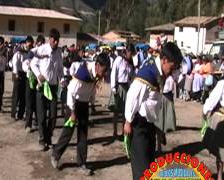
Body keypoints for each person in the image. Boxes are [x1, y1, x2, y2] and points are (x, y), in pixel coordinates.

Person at [124, 42, 183, 179]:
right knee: (142, 168)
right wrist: (128, 120)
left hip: (149, 125)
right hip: (138, 125)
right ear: (164, 60)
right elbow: (133, 96)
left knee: (150, 166)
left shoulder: (159, 72)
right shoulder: (148, 73)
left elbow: (154, 101)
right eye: (172, 68)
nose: (171, 72)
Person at [51, 53, 110, 175]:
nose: (104, 74)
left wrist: (92, 103)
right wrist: (72, 111)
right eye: (104, 70)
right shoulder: (83, 71)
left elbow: (93, 88)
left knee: (83, 134)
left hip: (84, 103)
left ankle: (82, 163)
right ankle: (56, 155)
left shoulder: (97, 75)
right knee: (68, 131)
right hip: (73, 103)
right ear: (98, 65)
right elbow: (71, 92)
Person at [30, 29, 64, 150]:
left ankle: (49, 137)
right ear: (50, 39)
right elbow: (33, 64)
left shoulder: (59, 52)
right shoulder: (42, 50)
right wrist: (38, 74)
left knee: (53, 116)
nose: (55, 42)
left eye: (57, 40)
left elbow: (60, 69)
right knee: (42, 114)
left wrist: (62, 79)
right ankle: (42, 139)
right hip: (42, 87)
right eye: (53, 40)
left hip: (53, 87)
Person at [110, 44, 134, 138]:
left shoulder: (129, 62)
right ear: (126, 52)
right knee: (116, 111)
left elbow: (131, 76)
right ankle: (114, 132)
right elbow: (113, 73)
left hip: (127, 88)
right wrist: (113, 88)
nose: (131, 55)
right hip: (119, 87)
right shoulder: (119, 60)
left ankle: (123, 132)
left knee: (126, 111)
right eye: (130, 53)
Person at [22, 36, 37, 133]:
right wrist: (29, 67)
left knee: (37, 102)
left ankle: (38, 121)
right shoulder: (27, 54)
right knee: (29, 103)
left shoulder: (37, 54)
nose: (29, 44)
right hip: (29, 79)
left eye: (30, 43)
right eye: (28, 42)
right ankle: (28, 124)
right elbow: (24, 66)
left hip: (38, 80)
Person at [11, 41, 27, 120]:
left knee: (23, 96)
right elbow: (15, 64)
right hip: (17, 74)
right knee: (16, 95)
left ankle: (21, 113)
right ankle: (13, 113)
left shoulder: (25, 54)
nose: (24, 46)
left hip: (24, 74)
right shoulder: (16, 54)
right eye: (23, 44)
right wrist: (16, 73)